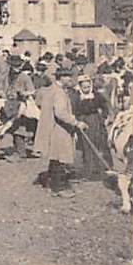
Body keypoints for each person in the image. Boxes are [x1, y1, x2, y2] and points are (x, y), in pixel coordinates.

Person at [33, 68, 87, 198]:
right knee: (60, 158)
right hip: (59, 129)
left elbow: (39, 104)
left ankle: (51, 184)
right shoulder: (59, 93)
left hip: (49, 127)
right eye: (67, 77)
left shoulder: (49, 90)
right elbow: (60, 113)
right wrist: (76, 122)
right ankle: (58, 188)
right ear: (60, 78)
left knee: (54, 156)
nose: (70, 79)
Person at [70, 74, 112, 181]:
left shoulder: (97, 95)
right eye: (84, 87)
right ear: (80, 87)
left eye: (88, 87)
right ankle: (88, 171)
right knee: (86, 146)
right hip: (83, 123)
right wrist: (77, 122)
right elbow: (73, 111)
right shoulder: (75, 97)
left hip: (96, 122)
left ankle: (102, 169)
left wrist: (104, 117)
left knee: (99, 144)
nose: (87, 89)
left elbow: (105, 107)